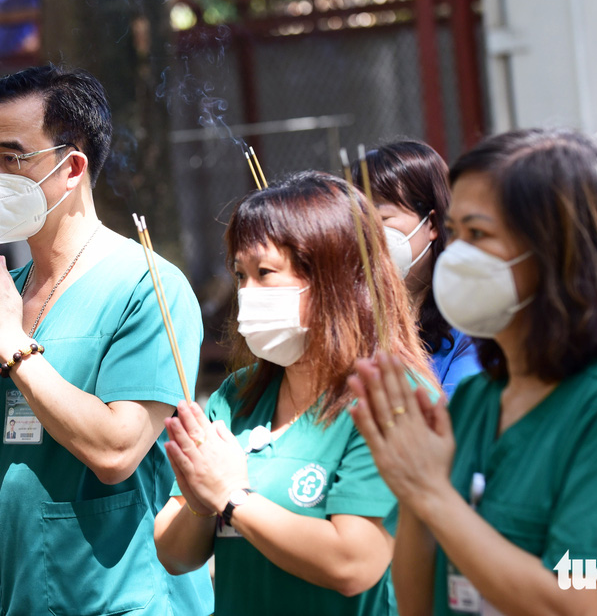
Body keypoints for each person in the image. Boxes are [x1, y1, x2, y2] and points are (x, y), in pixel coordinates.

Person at [349, 129, 597, 615]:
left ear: (557, 249)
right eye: (456, 233)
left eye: (478, 234)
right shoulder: (476, 401)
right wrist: (414, 494)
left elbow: (580, 607)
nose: (457, 255)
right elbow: (420, 603)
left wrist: (432, 493)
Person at [0, 65, 214, 616]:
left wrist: (10, 342)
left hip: (125, 597)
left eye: (11, 158)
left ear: (72, 166)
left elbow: (117, 450)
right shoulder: (1, 293)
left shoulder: (147, 285)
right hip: (25, 593)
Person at [153, 171, 439, 616]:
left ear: (335, 276)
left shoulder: (393, 398)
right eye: (240, 275)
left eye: (265, 273)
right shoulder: (238, 394)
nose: (247, 294)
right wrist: (198, 498)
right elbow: (175, 555)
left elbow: (355, 563)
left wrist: (231, 497)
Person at [353, 140, 480, 395]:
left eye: (382, 219)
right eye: (357, 221)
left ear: (432, 224)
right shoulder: (353, 323)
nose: (366, 234)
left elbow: (455, 420)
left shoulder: (471, 329)